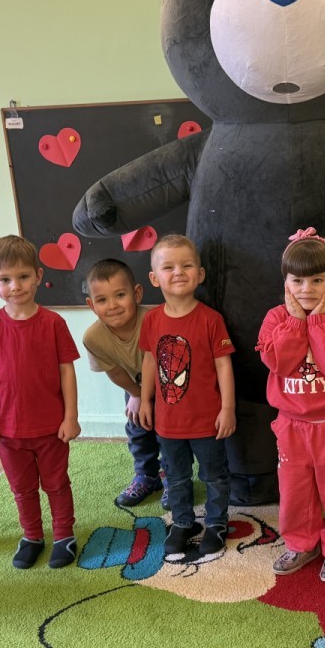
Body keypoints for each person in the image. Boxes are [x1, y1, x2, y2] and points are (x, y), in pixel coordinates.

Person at [0, 235, 81, 570]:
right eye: (5, 279)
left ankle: (64, 535)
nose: (15, 286)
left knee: (57, 484)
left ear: (38, 275)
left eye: (23, 276)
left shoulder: (54, 323)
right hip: (8, 431)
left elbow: (67, 372)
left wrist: (71, 417)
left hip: (51, 428)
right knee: (22, 488)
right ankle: (32, 536)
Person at [257, 227, 325, 583]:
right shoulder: (275, 318)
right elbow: (279, 363)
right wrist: (295, 322)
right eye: (297, 281)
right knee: (295, 491)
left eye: (317, 280)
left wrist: (316, 321)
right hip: (291, 425)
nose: (307, 289)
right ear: (286, 282)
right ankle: (301, 543)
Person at [139, 234, 235, 562]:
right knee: (176, 476)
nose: (178, 272)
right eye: (168, 267)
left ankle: (217, 523)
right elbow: (149, 361)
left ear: (200, 274)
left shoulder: (211, 319)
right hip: (168, 423)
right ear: (154, 278)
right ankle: (183, 522)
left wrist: (227, 408)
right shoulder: (151, 320)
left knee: (214, 476)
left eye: (187, 265)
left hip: (207, 420)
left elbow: (224, 365)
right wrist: (145, 400)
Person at [82, 259, 168, 509]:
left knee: (168, 434)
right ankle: (147, 475)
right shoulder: (93, 337)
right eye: (102, 300)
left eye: (120, 295)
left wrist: (152, 397)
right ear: (91, 305)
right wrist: (137, 395)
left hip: (168, 388)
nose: (112, 306)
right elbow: (115, 372)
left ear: (137, 293)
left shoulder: (156, 319)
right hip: (135, 387)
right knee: (137, 427)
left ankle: (174, 477)